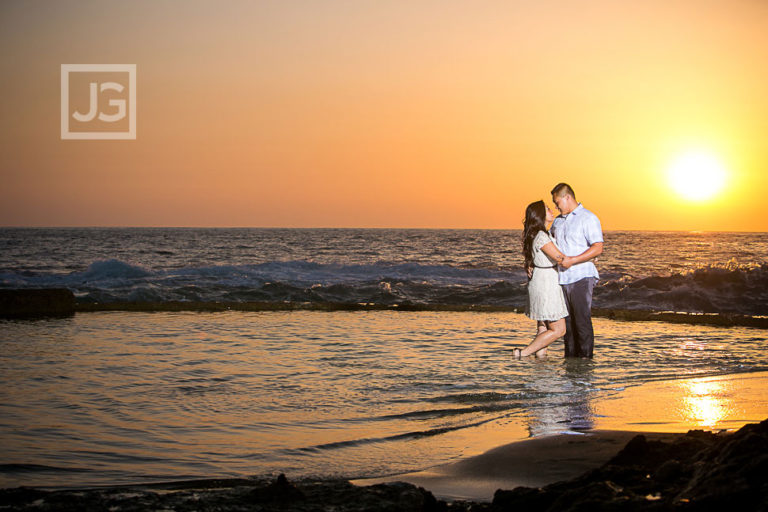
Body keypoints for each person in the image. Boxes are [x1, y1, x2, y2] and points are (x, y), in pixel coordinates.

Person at [549, 183, 603, 358]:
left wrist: (573, 260)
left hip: (582, 276)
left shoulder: (588, 218)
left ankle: (586, 363)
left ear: (567, 198)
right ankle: (570, 363)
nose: (556, 206)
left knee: (582, 321)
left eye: (557, 202)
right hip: (562, 279)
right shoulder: (557, 221)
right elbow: (549, 246)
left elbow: (598, 248)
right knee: (567, 325)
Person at [513, 200, 573, 358]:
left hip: (540, 281)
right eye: (547, 209)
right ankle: (522, 353)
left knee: (543, 328)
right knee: (559, 330)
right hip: (546, 284)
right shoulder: (541, 236)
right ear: (540, 215)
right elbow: (559, 258)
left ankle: (541, 363)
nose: (551, 210)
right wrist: (587, 259)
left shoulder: (537, 234)